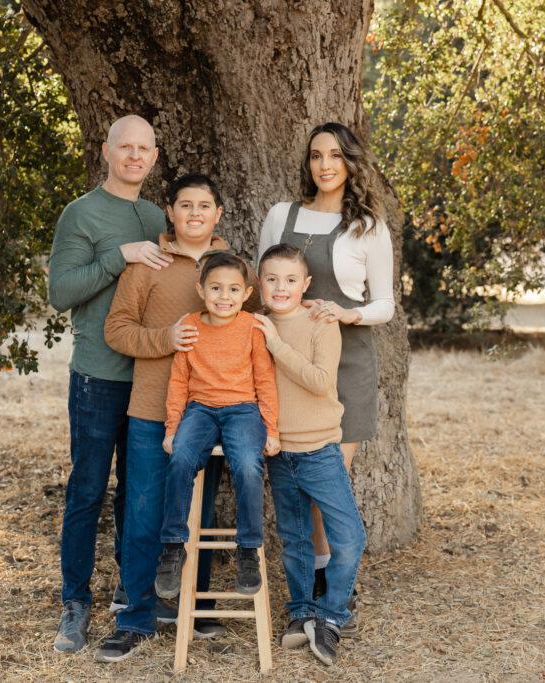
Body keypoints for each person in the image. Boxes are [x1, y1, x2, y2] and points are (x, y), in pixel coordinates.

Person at [97, 174, 259, 662]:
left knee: (202, 511)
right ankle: (136, 617)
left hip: (213, 412)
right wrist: (164, 340)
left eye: (204, 205)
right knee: (145, 509)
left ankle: (196, 605)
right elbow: (116, 330)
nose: (194, 213)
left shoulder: (229, 268)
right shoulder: (149, 263)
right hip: (153, 406)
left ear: (217, 214)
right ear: (169, 211)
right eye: (184, 205)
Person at [258, 121, 394, 633]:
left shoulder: (368, 227)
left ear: (350, 162)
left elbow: (385, 304)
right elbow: (261, 282)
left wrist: (345, 312)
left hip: (348, 364)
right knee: (300, 489)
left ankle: (336, 590)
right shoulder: (281, 216)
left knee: (327, 485)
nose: (325, 165)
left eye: (335, 155)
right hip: (285, 366)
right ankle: (316, 589)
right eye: (316, 155)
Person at [48, 115, 174, 654]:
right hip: (98, 375)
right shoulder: (80, 214)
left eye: (143, 148)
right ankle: (74, 602)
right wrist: (116, 258)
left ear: (153, 156)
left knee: (138, 494)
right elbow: (61, 292)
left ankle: (130, 591)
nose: (134, 156)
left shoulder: (155, 216)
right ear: (106, 151)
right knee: (88, 490)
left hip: (150, 379)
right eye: (125, 147)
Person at [253, 243, 366, 666]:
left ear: (306, 284)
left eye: (290, 279)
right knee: (294, 538)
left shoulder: (320, 320)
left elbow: (320, 381)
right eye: (271, 279)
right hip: (279, 451)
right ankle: (301, 611)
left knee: (349, 536)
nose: (281, 287)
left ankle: (332, 615)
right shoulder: (254, 324)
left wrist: (275, 343)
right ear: (260, 284)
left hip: (319, 449)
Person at [154, 252, 280, 603]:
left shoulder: (252, 327)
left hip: (243, 410)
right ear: (201, 289)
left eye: (233, 290)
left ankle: (248, 551)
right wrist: (172, 427)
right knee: (180, 459)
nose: (224, 297)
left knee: (247, 466)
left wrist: (271, 428)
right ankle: (173, 546)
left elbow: (265, 380)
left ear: (246, 293)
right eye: (216, 288)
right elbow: (179, 380)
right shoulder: (191, 325)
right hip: (200, 409)